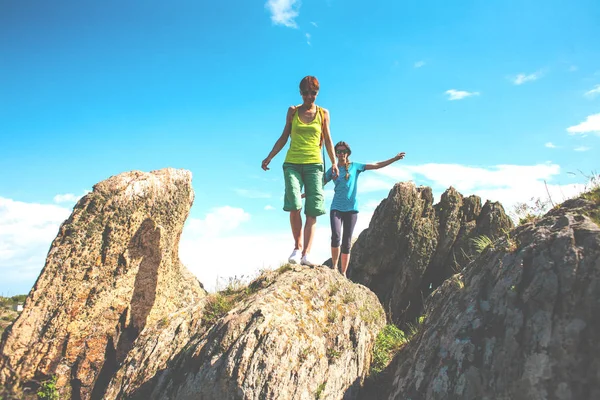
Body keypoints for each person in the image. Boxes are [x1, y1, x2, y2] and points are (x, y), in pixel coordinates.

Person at [261, 76, 339, 266]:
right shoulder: (293, 111)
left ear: (317, 93)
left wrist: (334, 163)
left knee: (312, 210)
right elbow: (284, 136)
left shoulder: (323, 113)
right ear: (300, 93)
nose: (309, 97)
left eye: (313, 93)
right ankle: (297, 248)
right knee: (295, 204)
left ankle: (307, 253)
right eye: (305, 93)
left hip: (314, 165)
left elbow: (328, 140)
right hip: (292, 164)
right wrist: (270, 156)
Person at [325, 141, 405, 277]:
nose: (341, 154)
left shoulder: (355, 167)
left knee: (347, 241)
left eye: (343, 151)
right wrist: (303, 194)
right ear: (335, 153)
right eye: (338, 151)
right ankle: (334, 268)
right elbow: (319, 183)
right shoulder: (333, 170)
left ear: (348, 153)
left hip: (351, 209)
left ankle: (343, 272)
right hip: (336, 208)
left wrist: (394, 159)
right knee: (336, 236)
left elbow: (376, 166)